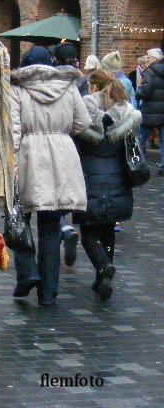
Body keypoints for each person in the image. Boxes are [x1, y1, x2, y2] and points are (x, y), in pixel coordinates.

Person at [10, 45, 90, 306]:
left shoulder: (18, 89)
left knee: (18, 219)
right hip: (62, 155)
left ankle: (28, 273)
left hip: (29, 155)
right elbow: (83, 124)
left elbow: (12, 129)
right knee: (51, 228)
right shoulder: (68, 87)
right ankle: (49, 293)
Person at [74, 70, 142, 300]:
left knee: (88, 232)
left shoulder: (85, 112)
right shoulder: (126, 112)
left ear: (93, 87)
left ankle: (103, 267)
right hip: (118, 178)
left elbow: (76, 140)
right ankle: (102, 275)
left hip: (90, 177)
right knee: (107, 230)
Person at [52, 42, 85, 264]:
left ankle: (63, 225)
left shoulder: (50, 81)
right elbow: (83, 121)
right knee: (68, 186)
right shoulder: (82, 82)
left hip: (50, 141)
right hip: (73, 144)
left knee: (52, 189)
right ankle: (70, 223)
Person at [136, 52, 164, 174]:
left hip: (150, 111)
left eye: (148, 56)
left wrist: (138, 91)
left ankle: (138, 165)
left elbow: (145, 91)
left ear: (153, 58)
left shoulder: (149, 72)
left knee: (140, 139)